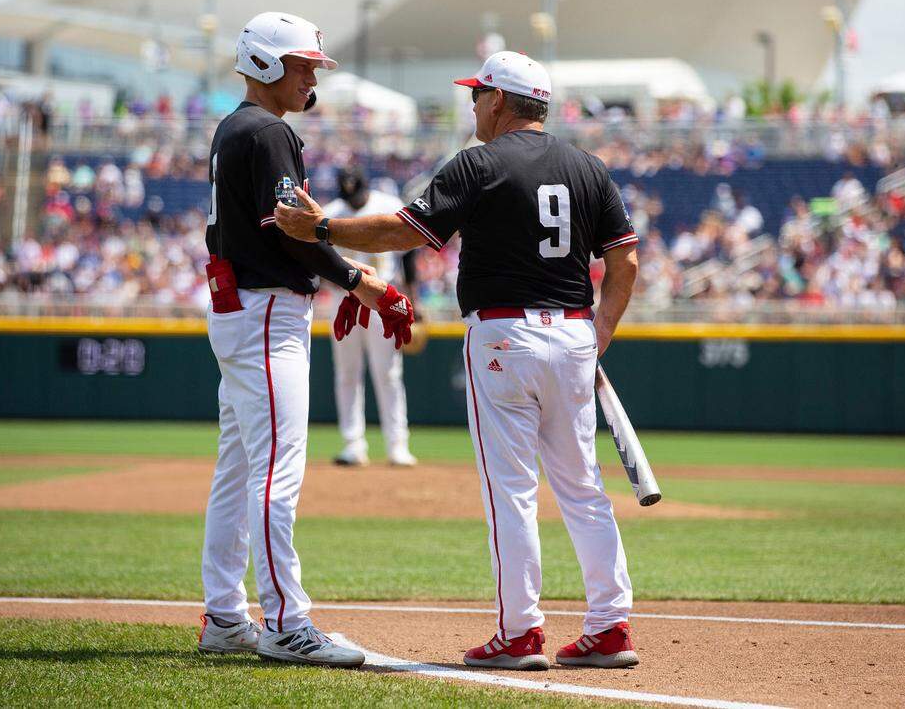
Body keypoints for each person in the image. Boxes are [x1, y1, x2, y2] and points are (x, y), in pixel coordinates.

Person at [275, 51, 641, 671]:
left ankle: (520, 633)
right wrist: (600, 330)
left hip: (504, 338)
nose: (473, 104)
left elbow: (403, 232)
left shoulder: (479, 163)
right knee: (584, 489)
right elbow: (625, 260)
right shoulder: (587, 167)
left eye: (477, 94)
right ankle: (610, 626)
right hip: (574, 335)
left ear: (499, 100)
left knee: (512, 491)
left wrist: (325, 231)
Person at [197, 11, 414, 668]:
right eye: (301, 64)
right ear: (265, 63)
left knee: (239, 468)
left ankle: (226, 617)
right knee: (273, 470)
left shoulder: (241, 126)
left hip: (247, 307)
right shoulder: (265, 131)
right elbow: (298, 230)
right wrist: (361, 284)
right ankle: (286, 623)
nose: (311, 74)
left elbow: (287, 231)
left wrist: (343, 279)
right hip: (265, 313)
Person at [324, 166, 418, 467]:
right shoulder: (331, 212)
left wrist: (412, 299)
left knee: (388, 372)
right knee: (347, 372)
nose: (354, 200)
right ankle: (353, 444)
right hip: (344, 299)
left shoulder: (388, 205)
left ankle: (397, 445)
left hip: (382, 295)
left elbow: (410, 256)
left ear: (366, 187)